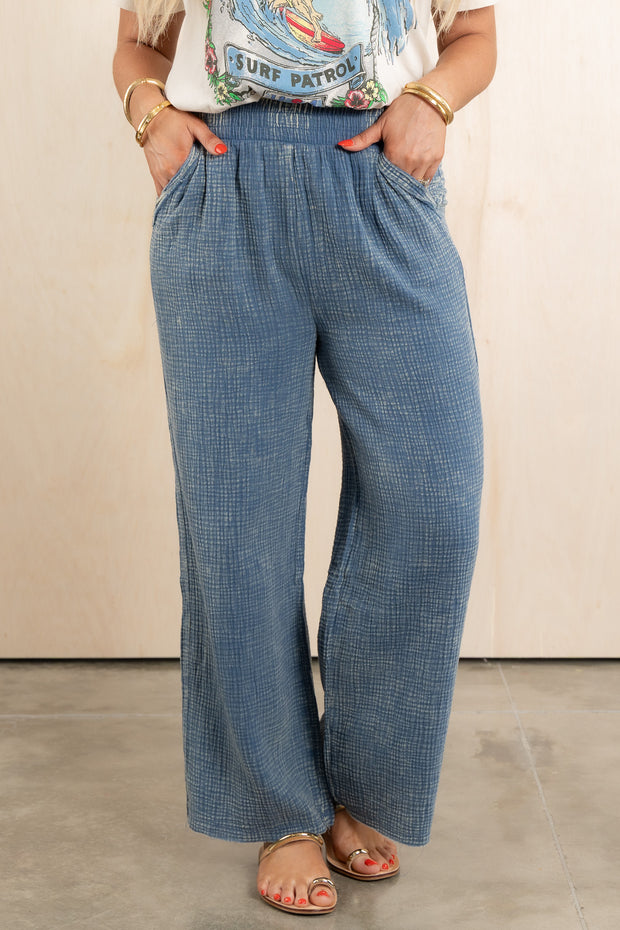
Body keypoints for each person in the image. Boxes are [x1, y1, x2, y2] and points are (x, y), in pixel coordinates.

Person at [113, 0, 496, 916]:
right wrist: (151, 116)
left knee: (432, 502)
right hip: (224, 187)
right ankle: (281, 807)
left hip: (380, 186)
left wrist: (431, 103)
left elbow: (475, 37)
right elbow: (135, 42)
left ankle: (361, 785)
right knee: (236, 523)